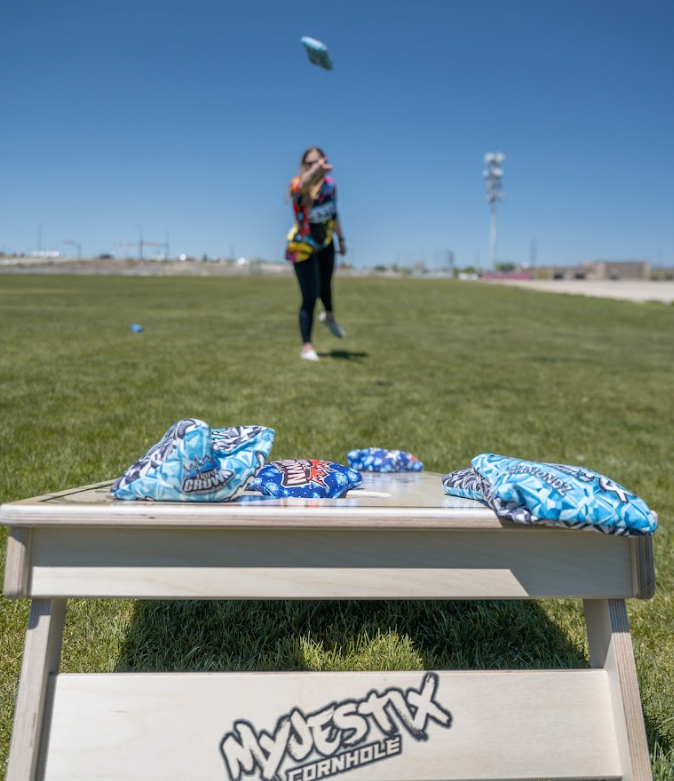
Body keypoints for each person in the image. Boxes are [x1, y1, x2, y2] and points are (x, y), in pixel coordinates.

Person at [286, 147, 347, 361]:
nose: (314, 166)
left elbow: (334, 213)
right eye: (309, 163)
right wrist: (316, 172)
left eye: (318, 162)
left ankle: (329, 316)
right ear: (305, 165)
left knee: (326, 285)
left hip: (325, 242)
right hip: (302, 246)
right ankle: (307, 346)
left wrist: (341, 238)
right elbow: (302, 187)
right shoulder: (297, 183)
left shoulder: (331, 186)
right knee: (310, 295)